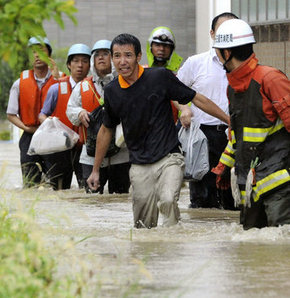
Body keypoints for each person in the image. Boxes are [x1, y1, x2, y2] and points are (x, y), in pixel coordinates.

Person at [87, 33, 230, 229]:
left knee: (168, 200)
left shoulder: (159, 77)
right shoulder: (112, 91)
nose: (123, 61)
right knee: (143, 225)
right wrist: (95, 170)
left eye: (128, 55)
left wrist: (229, 120)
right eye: (117, 56)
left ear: (138, 57)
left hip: (169, 157)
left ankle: (173, 249)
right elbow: (106, 129)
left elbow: (196, 98)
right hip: (139, 163)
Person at [212, 18, 290, 229]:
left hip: (279, 183)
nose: (217, 56)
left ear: (227, 54)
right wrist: (223, 166)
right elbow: (237, 135)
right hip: (250, 183)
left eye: (218, 51)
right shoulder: (233, 88)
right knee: (251, 246)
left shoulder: (270, 79)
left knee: (281, 242)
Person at [177, 12, 238, 210]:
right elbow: (174, 92)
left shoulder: (245, 66)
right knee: (202, 199)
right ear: (212, 34)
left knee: (233, 199)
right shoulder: (195, 63)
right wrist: (184, 108)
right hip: (202, 136)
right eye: (222, 31)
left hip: (233, 136)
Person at [66, 39, 130, 194]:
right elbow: (70, 109)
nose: (101, 58)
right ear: (93, 60)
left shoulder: (126, 84)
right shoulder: (83, 86)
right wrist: (80, 113)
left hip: (121, 155)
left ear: (113, 58)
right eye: (97, 55)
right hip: (90, 155)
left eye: (106, 54)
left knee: (120, 198)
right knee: (91, 199)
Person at [6, 36, 59, 188]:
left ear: (49, 55)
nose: (36, 55)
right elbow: (10, 114)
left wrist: (57, 79)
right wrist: (27, 128)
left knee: (57, 186)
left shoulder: (61, 79)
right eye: (33, 52)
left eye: (41, 51)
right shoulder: (19, 83)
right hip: (29, 137)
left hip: (55, 138)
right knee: (30, 186)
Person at [38, 43, 91, 190]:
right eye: (75, 61)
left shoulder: (94, 88)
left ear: (89, 65)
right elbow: (42, 114)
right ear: (68, 65)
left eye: (84, 61)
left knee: (88, 190)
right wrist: (48, 122)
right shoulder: (56, 89)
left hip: (85, 148)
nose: (80, 65)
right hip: (61, 148)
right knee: (59, 191)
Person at [146, 26, 185, 124]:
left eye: (166, 46)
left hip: (173, 130)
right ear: (150, 47)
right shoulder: (140, 73)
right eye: (157, 45)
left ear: (172, 49)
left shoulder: (180, 75)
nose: (161, 49)